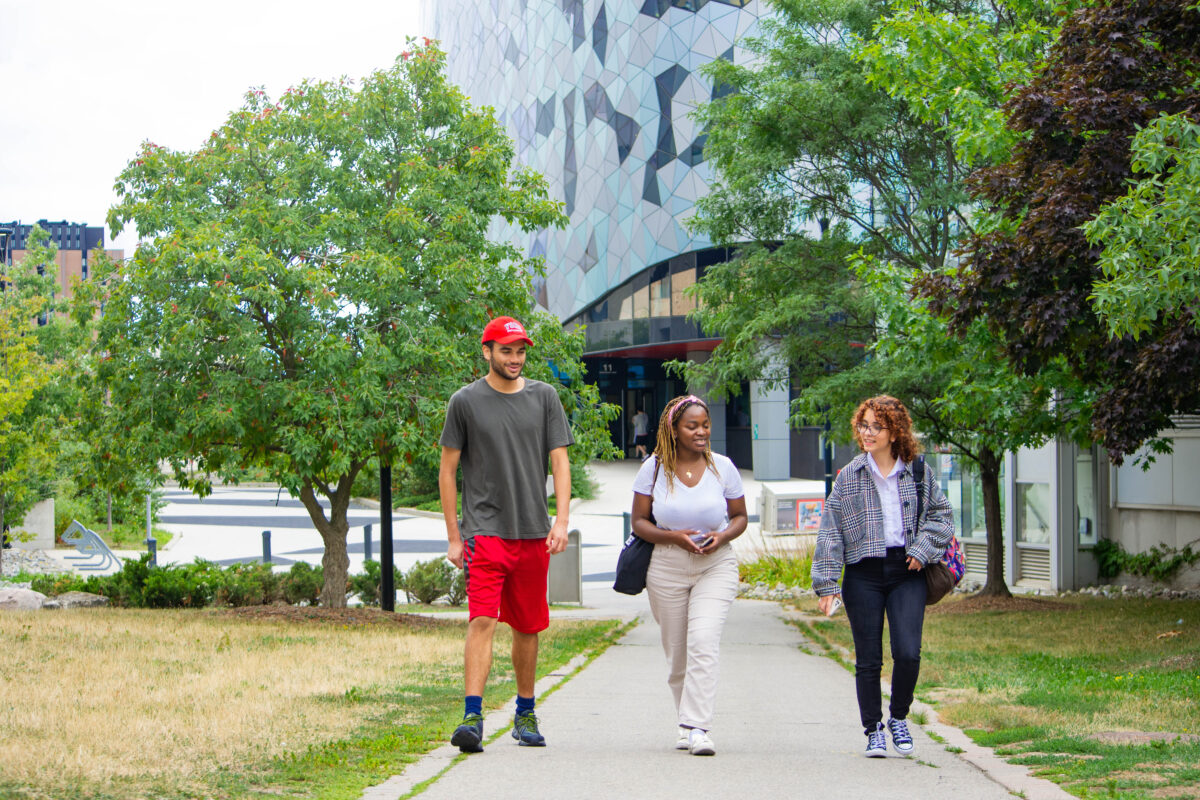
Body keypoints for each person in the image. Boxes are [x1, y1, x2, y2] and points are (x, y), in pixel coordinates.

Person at [439, 315, 574, 753]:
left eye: (520, 351)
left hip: (533, 531)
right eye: (506, 350)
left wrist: (561, 519)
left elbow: (560, 461)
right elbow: (447, 470)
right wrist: (455, 536)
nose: (514, 358)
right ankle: (472, 717)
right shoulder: (465, 402)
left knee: (527, 627)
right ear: (487, 352)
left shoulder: (544, 397)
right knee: (481, 619)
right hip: (485, 530)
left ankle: (525, 712)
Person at [811, 395, 954, 758]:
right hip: (863, 574)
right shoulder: (849, 476)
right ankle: (873, 728)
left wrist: (922, 551)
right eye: (864, 425)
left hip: (908, 570)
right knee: (869, 658)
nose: (867, 432)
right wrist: (826, 584)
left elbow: (942, 517)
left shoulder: (918, 471)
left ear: (895, 431)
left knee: (907, 652)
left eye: (877, 426)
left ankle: (899, 717)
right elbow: (831, 531)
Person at [629, 394, 748, 756]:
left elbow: (740, 516)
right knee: (677, 653)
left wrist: (723, 535)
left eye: (705, 425)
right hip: (666, 566)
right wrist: (674, 537)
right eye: (692, 426)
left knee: (703, 641)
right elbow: (638, 522)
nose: (701, 432)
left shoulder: (723, 467)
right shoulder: (653, 468)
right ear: (674, 429)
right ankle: (685, 720)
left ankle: (698, 727)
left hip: (716, 565)